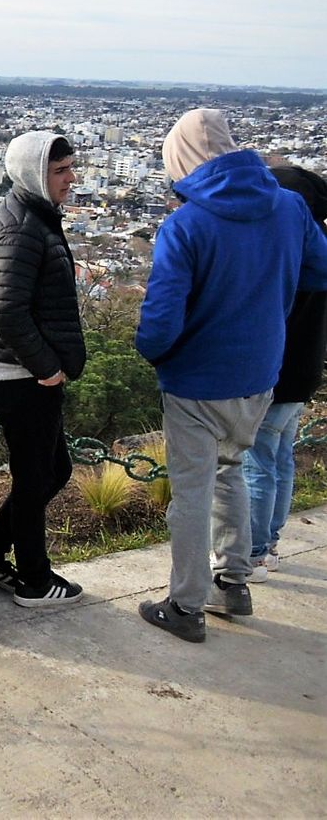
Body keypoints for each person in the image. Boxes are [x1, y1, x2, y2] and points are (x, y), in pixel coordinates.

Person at [135, 110, 327, 643]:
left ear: (184, 161)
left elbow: (162, 318)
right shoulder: (287, 206)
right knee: (232, 471)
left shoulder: (187, 223)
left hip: (198, 378)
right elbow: (320, 267)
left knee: (192, 492)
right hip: (261, 372)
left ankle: (186, 604)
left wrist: (155, 352)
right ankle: (233, 582)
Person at [0, 131, 87, 607]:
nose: (70, 179)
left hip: (24, 372)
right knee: (36, 477)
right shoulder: (22, 228)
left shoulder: (32, 216)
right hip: (19, 376)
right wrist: (46, 368)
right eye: (59, 171)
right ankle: (36, 580)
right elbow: (5, 311)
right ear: (34, 174)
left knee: (53, 470)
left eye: (70, 168)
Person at [245, 165, 327, 581]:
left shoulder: (288, 248)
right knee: (280, 458)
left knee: (257, 461)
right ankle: (271, 543)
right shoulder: (319, 246)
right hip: (305, 369)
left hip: (276, 371)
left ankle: (256, 552)